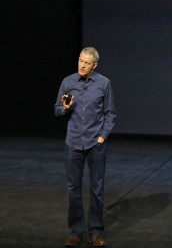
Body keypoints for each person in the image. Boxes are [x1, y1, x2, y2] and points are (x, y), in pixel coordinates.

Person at [55, 47, 116, 247]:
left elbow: (110, 113)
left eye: (86, 62)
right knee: (74, 189)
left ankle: (95, 232)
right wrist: (64, 108)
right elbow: (57, 110)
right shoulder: (68, 82)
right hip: (73, 142)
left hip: (94, 144)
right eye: (80, 60)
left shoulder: (104, 83)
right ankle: (76, 231)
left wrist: (102, 137)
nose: (82, 65)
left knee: (97, 189)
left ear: (94, 65)